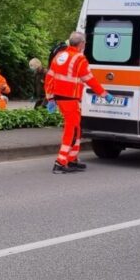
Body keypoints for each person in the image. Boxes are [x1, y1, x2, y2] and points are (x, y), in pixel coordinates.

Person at [46, 31, 107, 174]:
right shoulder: (79, 58)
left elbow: (49, 77)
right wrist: (104, 94)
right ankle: (60, 162)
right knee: (72, 130)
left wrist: (50, 98)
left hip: (60, 98)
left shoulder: (59, 56)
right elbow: (89, 79)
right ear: (81, 44)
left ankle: (72, 159)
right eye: (84, 43)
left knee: (76, 129)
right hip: (70, 99)